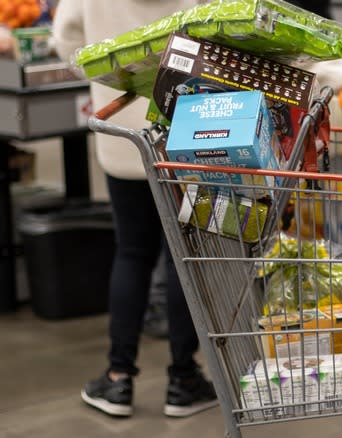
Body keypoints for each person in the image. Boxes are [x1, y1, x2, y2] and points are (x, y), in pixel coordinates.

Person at [52, 0, 218, 418]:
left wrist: (110, 75)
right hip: (184, 127)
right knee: (183, 258)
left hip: (118, 129)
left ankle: (117, 379)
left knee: (131, 252)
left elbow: (65, 40)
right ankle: (183, 380)